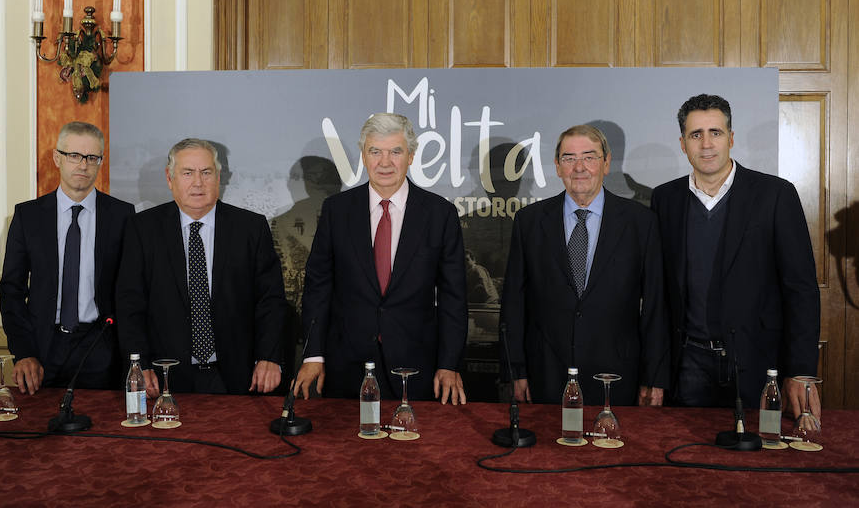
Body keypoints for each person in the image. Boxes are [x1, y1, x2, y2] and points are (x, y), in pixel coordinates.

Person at [651, 94, 821, 418]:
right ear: (682, 143)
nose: (706, 144)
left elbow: (801, 288)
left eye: (715, 132)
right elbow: (659, 295)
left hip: (758, 363)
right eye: (695, 135)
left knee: (757, 462)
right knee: (688, 463)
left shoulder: (775, 195)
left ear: (731, 138)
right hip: (688, 364)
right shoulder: (665, 199)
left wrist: (800, 370)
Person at [294, 113, 468, 404]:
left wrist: (448, 364)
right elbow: (318, 287)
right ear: (364, 156)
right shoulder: (337, 211)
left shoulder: (440, 214)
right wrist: (313, 355)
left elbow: (453, 297)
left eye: (395, 152)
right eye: (375, 151)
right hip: (346, 365)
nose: (384, 162)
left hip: (416, 368)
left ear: (411, 156)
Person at [500, 124, 669, 406]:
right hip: (546, 375)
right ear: (557, 166)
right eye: (569, 158)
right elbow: (514, 304)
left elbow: (655, 307)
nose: (579, 167)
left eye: (589, 157)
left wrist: (653, 377)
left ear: (606, 163)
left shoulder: (641, 222)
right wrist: (514, 370)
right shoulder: (529, 222)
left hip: (617, 376)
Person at [116, 138, 288, 396]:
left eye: (206, 172)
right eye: (188, 173)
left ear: (219, 177)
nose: (198, 182)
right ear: (170, 178)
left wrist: (269, 357)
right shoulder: (142, 229)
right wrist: (137, 362)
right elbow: (130, 302)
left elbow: (271, 300)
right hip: (165, 376)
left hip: (240, 376)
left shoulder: (250, 229)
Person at [0, 121, 134, 394]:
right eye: (74, 155)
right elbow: (11, 290)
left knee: (101, 433)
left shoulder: (122, 216)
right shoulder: (28, 216)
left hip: (101, 348)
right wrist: (24, 351)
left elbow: (131, 291)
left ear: (101, 161)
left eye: (91, 157)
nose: (83, 165)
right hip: (42, 349)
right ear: (57, 158)